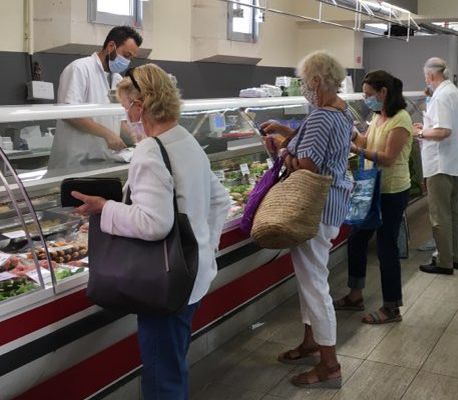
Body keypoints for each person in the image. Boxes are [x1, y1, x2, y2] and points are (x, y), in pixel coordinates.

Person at [71, 63, 231, 399]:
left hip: (165, 283)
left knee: (162, 376)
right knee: (173, 363)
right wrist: (205, 247)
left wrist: (104, 208)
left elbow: (154, 224)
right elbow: (220, 199)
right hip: (192, 275)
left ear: (140, 105)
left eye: (126, 106)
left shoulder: (149, 150)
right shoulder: (185, 139)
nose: (125, 114)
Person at [260, 51, 353, 388]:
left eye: (303, 80)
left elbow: (307, 166)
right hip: (332, 205)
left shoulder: (319, 117)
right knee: (311, 278)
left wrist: (284, 150)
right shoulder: (342, 111)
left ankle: (330, 366)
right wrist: (291, 135)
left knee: (314, 283)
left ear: (315, 80)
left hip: (312, 208)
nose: (303, 87)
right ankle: (310, 341)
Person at [333, 70, 413, 324]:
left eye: (369, 95)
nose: (367, 99)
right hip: (370, 187)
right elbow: (368, 141)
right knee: (356, 239)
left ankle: (392, 307)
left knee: (386, 248)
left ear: (383, 92)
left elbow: (388, 157)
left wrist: (357, 150)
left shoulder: (401, 120)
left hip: (392, 190)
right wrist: (352, 132)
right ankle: (355, 294)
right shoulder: (379, 116)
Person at [48, 26, 143, 170]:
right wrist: (107, 134)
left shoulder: (117, 79)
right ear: (111, 46)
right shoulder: (79, 69)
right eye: (126, 55)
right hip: (74, 161)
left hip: (103, 160)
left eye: (131, 58)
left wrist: (137, 137)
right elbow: (69, 114)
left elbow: (119, 120)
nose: (127, 62)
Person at [413, 57, 458, 275]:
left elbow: (443, 131)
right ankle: (456, 257)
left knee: (440, 215)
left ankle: (444, 262)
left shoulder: (441, 96)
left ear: (430, 75)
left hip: (440, 165)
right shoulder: (456, 94)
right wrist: (426, 127)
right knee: (454, 213)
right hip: (456, 162)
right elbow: (442, 126)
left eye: (425, 76)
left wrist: (419, 132)